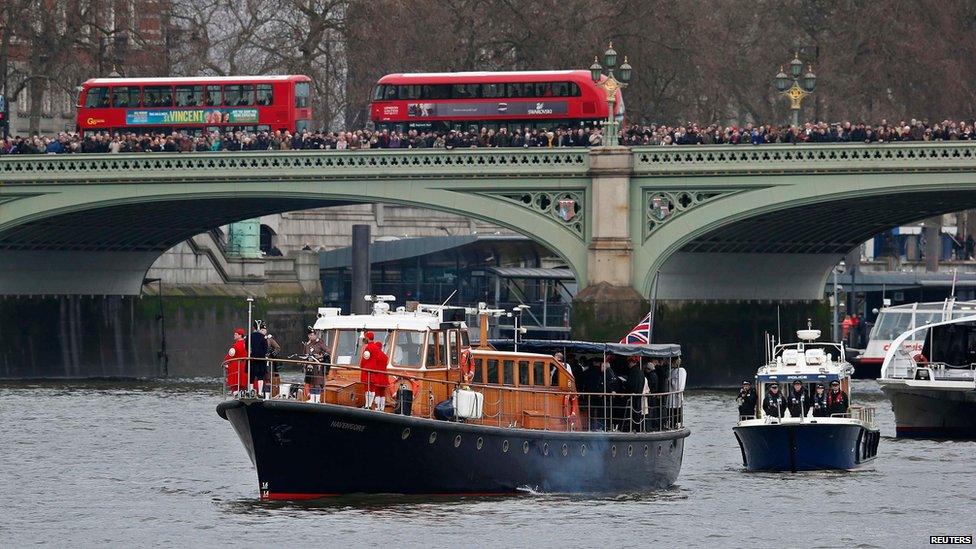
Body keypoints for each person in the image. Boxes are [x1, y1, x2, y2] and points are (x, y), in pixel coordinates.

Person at [360, 331, 389, 410]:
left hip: (368, 371)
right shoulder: (382, 353)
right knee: (377, 391)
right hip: (380, 374)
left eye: (365, 337)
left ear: (367, 338)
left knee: (368, 388)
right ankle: (380, 408)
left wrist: (362, 366)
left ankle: (368, 405)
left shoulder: (368, 347)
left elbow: (365, 358)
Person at [302, 328, 330, 403]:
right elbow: (304, 354)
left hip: (318, 366)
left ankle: (317, 399)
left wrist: (321, 356)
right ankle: (312, 398)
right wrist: (304, 364)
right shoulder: (307, 345)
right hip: (310, 366)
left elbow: (327, 351)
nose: (311, 336)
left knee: (317, 382)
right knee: (311, 382)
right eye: (309, 335)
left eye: (312, 335)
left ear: (315, 335)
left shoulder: (320, 343)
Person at [624, 357, 645, 432]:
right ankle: (637, 428)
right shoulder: (641, 372)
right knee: (637, 413)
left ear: (632, 362)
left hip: (632, 396)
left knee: (631, 413)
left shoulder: (632, 372)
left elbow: (631, 384)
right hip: (639, 395)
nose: (628, 365)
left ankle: (630, 428)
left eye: (629, 363)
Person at [223, 328, 248, 393]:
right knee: (243, 385)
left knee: (236, 385)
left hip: (236, 368)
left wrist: (225, 362)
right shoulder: (246, 344)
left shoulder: (236, 345)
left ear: (240, 335)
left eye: (236, 334)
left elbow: (229, 355)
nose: (234, 335)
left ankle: (236, 394)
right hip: (245, 367)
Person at [249, 320, 269, 395]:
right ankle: (260, 393)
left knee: (251, 376)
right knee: (260, 376)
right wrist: (263, 355)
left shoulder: (249, 336)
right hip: (261, 360)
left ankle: (251, 391)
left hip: (252, 359)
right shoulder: (263, 337)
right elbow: (265, 348)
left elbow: (247, 347)